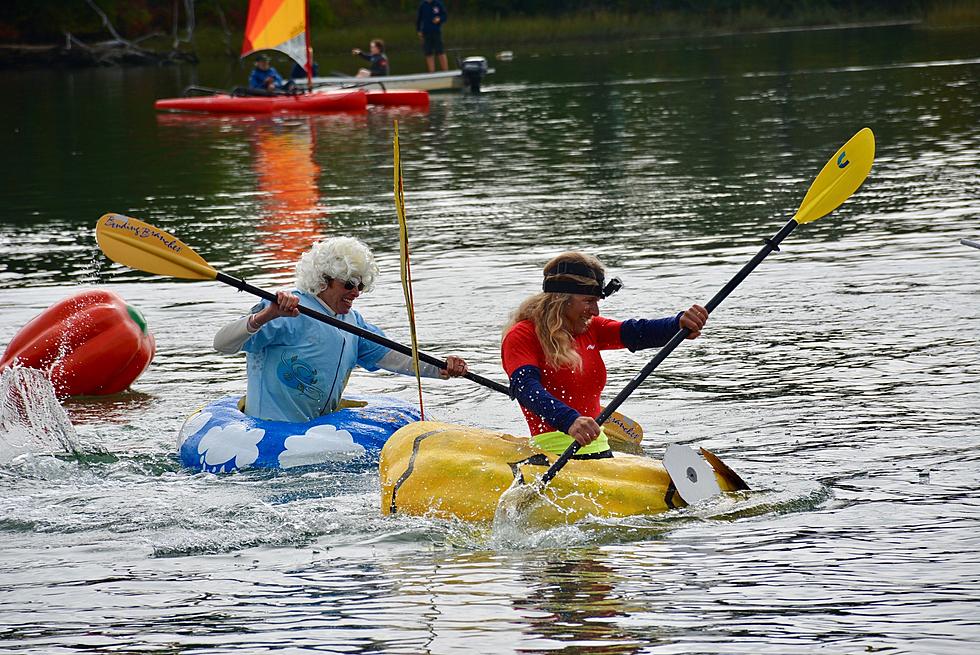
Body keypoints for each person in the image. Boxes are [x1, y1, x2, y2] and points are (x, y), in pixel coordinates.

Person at [214, 237, 468, 422]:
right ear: (324, 280)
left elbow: (392, 356)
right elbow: (222, 343)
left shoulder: (353, 322)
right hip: (269, 430)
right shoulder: (285, 310)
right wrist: (267, 315)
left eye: (361, 285)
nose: (356, 293)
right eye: (348, 284)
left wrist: (440, 367)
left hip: (319, 429)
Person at [501, 252, 708, 457]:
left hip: (599, 446)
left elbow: (636, 333)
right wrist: (569, 420)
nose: (595, 311)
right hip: (552, 451)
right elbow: (525, 388)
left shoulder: (589, 328)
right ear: (560, 299)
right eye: (589, 301)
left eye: (597, 301)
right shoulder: (522, 335)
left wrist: (677, 324)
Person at [416, 0, 449, 73]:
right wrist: (419, 30)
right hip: (426, 32)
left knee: (440, 51)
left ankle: (446, 71)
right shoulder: (423, 5)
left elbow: (444, 16)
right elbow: (419, 18)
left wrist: (439, 19)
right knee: (428, 53)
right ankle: (431, 72)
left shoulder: (438, 3)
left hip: (436, 31)